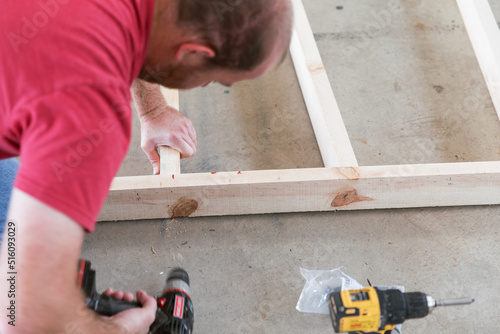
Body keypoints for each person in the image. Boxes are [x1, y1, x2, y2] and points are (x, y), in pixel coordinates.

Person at [0, 0, 292, 332]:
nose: (205, 86)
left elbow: (138, 28)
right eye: (213, 78)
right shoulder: (91, 111)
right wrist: (120, 329)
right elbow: (23, 320)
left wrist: (153, 109)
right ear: (193, 52)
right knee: (14, 264)